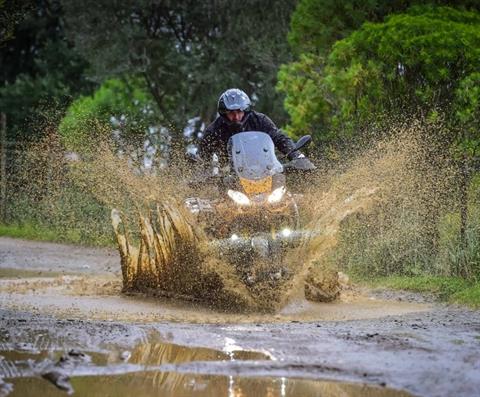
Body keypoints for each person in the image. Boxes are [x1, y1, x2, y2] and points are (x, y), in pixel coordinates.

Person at [198, 88, 305, 165]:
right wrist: (201, 172)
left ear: (245, 110)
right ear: (224, 113)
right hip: (228, 179)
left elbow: (280, 138)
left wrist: (297, 156)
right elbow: (202, 157)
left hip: (265, 170)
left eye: (239, 111)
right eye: (231, 113)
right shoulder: (214, 130)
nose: (236, 116)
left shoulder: (260, 120)